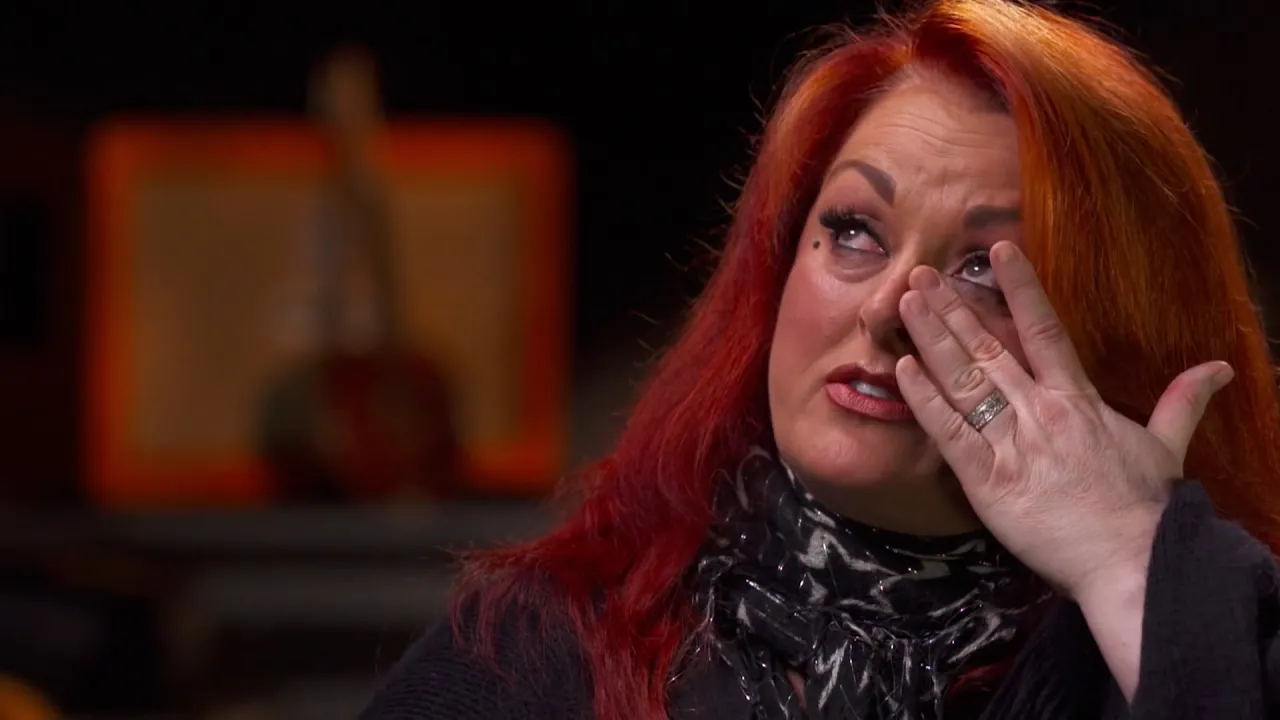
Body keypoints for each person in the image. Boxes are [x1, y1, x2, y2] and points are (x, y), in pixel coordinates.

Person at [361, 0, 1280, 718]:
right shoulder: (536, 645)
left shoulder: (1210, 636)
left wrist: (1133, 570)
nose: (886, 312)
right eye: (853, 232)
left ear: (1114, 343)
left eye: (984, 271)